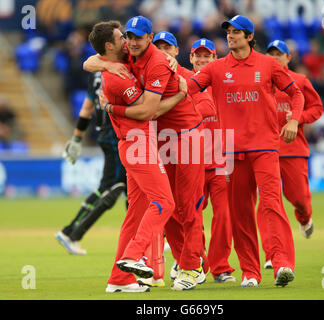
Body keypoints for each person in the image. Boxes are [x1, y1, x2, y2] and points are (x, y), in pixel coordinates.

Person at [84, 16, 206, 291]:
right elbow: (89, 61)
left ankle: (189, 267)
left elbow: (148, 110)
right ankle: (133, 261)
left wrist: (111, 107)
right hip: (145, 140)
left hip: (184, 137)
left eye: (138, 37)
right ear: (118, 43)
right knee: (166, 204)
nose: (131, 42)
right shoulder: (124, 58)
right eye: (127, 37)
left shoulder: (156, 62)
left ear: (150, 38)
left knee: (187, 205)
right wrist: (107, 63)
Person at [188, 15, 305, 287]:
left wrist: (293, 120)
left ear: (250, 37)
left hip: (264, 147)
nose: (231, 35)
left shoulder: (268, 64)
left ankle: (282, 264)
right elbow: (188, 88)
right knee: (240, 214)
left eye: (237, 32)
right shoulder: (216, 68)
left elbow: (297, 94)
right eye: (228, 31)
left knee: (271, 204)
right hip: (229, 151)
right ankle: (251, 272)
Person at [259, 40, 323, 269]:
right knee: (268, 202)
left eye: (279, 54)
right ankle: (271, 254)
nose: (275, 57)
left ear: (288, 58)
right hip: (265, 149)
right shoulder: (260, 80)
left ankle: (304, 216)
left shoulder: (300, 81)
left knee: (299, 198)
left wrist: (297, 119)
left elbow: (317, 108)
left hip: (294, 149)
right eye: (271, 54)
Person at [55, 70, 127, 256]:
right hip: (115, 135)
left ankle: (150, 238)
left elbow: (87, 108)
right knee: (111, 187)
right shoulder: (120, 68)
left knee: (131, 188)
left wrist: (77, 138)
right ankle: (71, 232)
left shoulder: (96, 73)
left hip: (106, 133)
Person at [189, 38, 236, 283]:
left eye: (207, 56)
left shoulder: (224, 85)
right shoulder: (184, 86)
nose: (202, 59)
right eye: (198, 55)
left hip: (220, 161)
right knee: (193, 215)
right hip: (192, 162)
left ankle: (220, 267)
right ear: (191, 58)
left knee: (223, 215)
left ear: (215, 59)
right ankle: (199, 262)